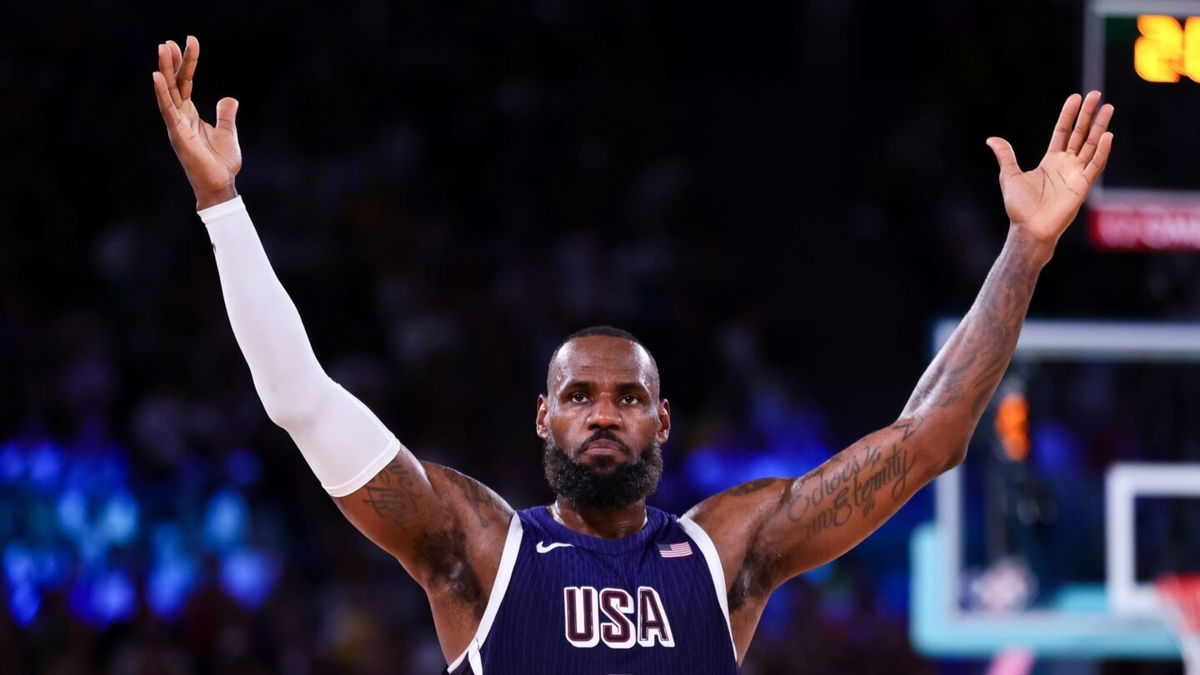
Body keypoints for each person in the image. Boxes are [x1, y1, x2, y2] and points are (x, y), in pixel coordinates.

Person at [151, 35, 1114, 674]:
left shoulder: (728, 550)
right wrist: (223, 209)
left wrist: (1026, 249)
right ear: (544, 417)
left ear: (663, 417)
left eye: (624, 396)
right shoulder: (478, 547)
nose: (602, 411)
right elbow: (302, 399)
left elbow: (931, 436)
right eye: (579, 395)